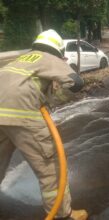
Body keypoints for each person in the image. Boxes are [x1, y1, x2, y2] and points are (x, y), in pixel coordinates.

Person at [0, 29, 88, 220]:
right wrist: (56, 99)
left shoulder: (22, 58)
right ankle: (64, 214)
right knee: (52, 169)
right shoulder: (50, 58)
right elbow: (76, 82)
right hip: (23, 113)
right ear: (57, 50)